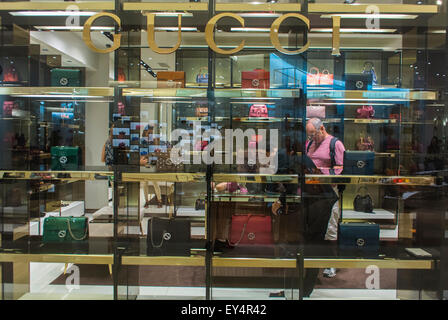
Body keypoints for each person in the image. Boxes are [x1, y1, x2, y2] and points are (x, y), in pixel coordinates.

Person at [303, 117, 345, 295]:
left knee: (330, 229)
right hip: (312, 193)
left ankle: (330, 264)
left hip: (329, 193)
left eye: (313, 134)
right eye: (309, 135)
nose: (312, 138)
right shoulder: (308, 144)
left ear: (322, 129)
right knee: (314, 230)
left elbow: (341, 168)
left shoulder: (335, 144)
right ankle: (313, 262)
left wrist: (321, 173)